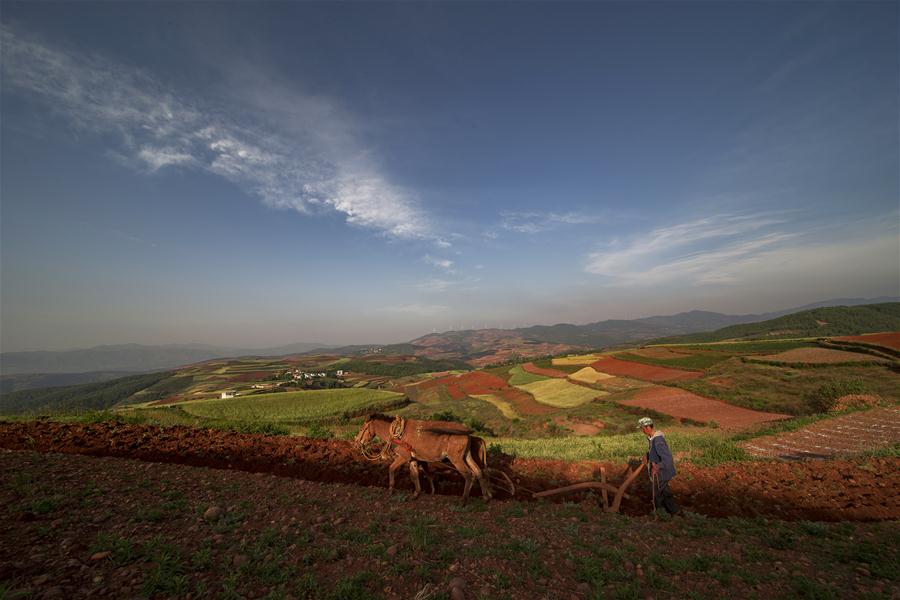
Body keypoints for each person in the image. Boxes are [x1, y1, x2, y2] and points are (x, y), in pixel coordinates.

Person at [638, 417, 679, 515]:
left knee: (657, 495)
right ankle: (675, 512)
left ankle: (660, 514)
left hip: (662, 473)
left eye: (642, 428)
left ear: (648, 428)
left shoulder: (658, 440)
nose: (642, 430)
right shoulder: (652, 439)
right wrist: (647, 457)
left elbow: (667, 459)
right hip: (661, 473)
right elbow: (654, 453)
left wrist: (658, 466)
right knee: (665, 493)